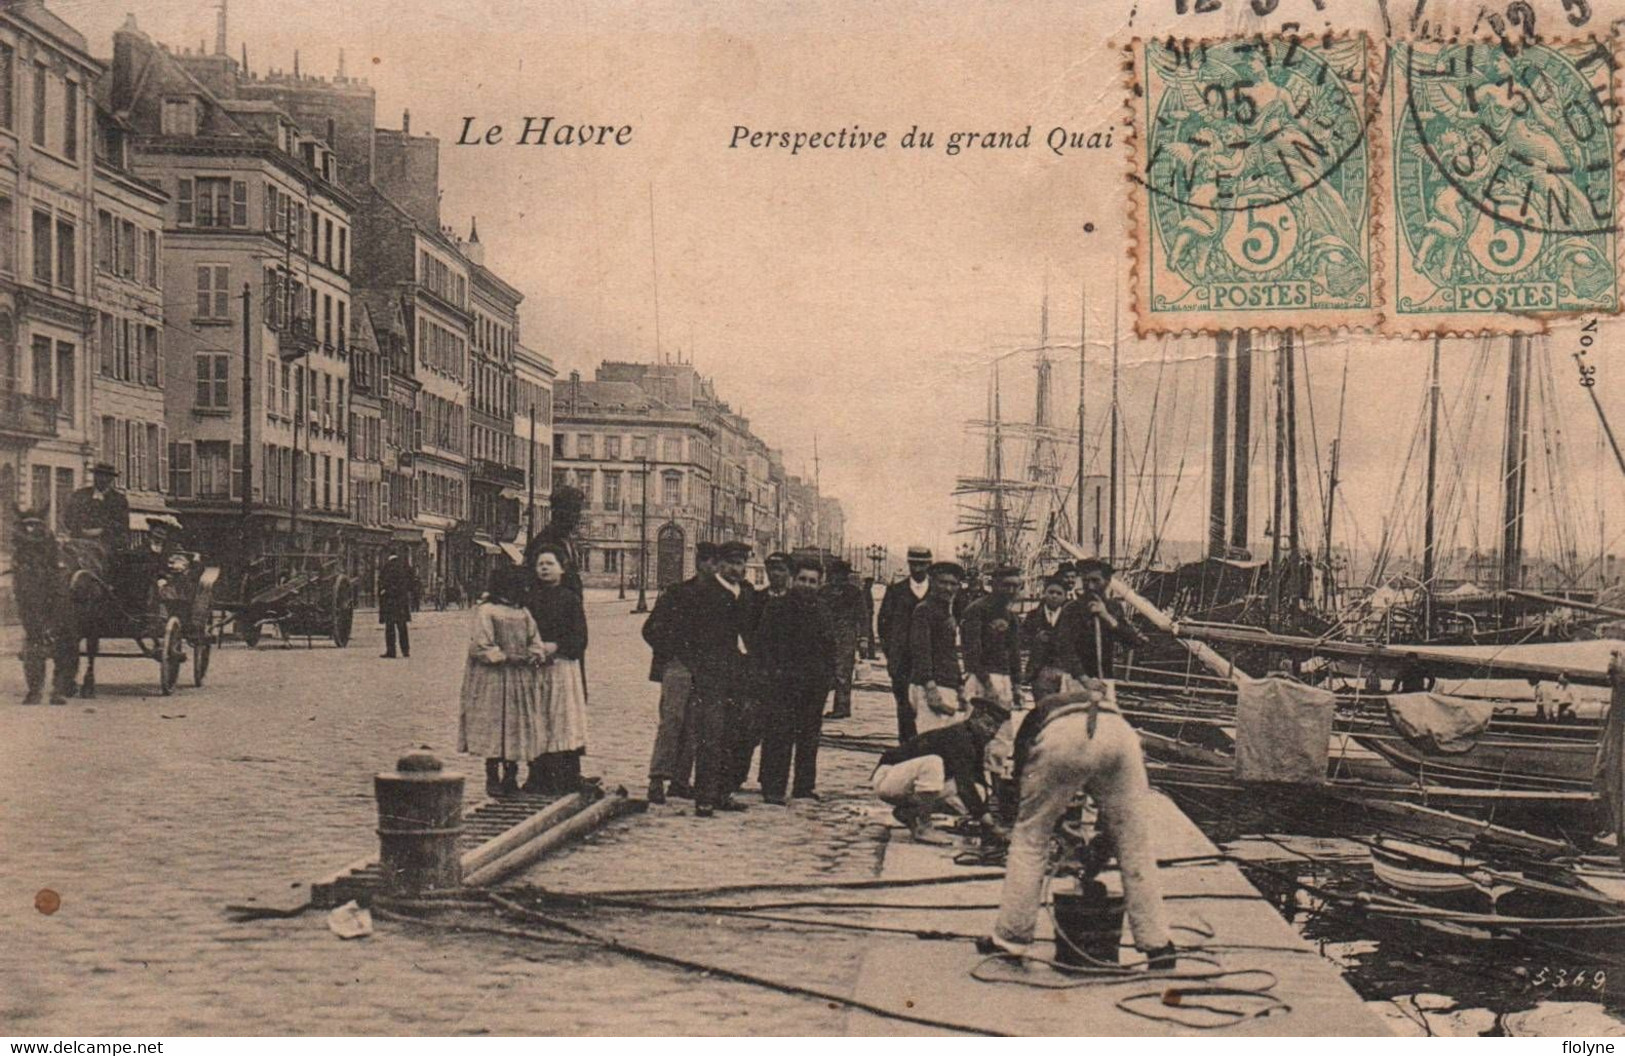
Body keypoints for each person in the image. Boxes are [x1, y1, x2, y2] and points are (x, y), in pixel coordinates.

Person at [979, 680, 1175, 968]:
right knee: (1134, 842)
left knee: (1030, 838)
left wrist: (1050, 824)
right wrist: (1102, 842)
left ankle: (1011, 940)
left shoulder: (1037, 716)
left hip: (1063, 739)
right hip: (1120, 736)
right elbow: (1114, 812)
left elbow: (1025, 787)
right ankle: (1159, 946)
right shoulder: (1101, 707)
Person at [674, 539, 756, 816]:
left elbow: (752, 634)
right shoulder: (705, 593)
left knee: (733, 734)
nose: (736, 568)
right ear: (720, 564)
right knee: (711, 735)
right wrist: (697, 665)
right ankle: (705, 796)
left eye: (741, 563)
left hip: (739, 676)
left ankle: (724, 792)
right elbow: (685, 634)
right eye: (731, 563)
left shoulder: (745, 594)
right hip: (711, 676)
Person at [459, 563, 550, 796]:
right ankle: (492, 774)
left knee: (516, 725)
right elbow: (481, 644)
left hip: (519, 678)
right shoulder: (487, 611)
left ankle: (511, 776)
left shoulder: (523, 613)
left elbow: (535, 641)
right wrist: (504, 656)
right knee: (494, 723)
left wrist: (534, 655)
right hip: (492, 678)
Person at [756, 556, 838, 803]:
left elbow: (829, 646)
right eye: (802, 579)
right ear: (794, 580)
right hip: (783, 683)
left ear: (819, 584)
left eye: (812, 581)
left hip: (813, 685)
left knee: (809, 735)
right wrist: (771, 675)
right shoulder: (777, 607)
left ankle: (804, 786)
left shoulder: (823, 610)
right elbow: (763, 645)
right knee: (778, 734)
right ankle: (773, 787)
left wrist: (828, 677)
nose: (807, 585)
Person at [874, 696, 1009, 845]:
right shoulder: (959, 736)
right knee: (934, 763)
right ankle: (923, 827)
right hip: (889, 777)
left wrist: (986, 815)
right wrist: (989, 823)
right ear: (974, 718)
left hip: (908, 784)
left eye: (996, 728)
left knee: (981, 791)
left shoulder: (976, 741)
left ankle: (909, 812)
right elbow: (964, 784)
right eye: (988, 724)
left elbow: (975, 779)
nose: (991, 731)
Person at [642, 542, 717, 804]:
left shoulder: (721, 598)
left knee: (694, 725)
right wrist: (673, 653)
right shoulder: (677, 593)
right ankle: (656, 779)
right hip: (679, 666)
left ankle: (680, 782)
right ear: (699, 564)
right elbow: (650, 629)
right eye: (708, 561)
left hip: (706, 670)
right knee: (672, 721)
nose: (713, 567)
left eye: (716, 562)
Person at [524, 544, 591, 794]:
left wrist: (556, 646)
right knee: (538, 719)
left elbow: (580, 639)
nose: (544, 568)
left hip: (562, 668)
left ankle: (567, 775)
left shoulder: (570, 600)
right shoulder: (529, 599)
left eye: (549, 564)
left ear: (562, 569)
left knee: (564, 720)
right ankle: (537, 774)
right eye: (540, 564)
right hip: (536, 669)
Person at [1056, 558, 1146, 683]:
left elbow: (1133, 641)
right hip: (1076, 680)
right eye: (1085, 581)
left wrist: (1107, 617)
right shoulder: (1071, 609)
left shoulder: (1114, 608)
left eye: (1095, 580)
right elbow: (1065, 647)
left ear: (1107, 582)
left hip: (1105, 678)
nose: (1090, 586)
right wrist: (1083, 677)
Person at [878, 545, 934, 741]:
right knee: (904, 709)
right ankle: (907, 750)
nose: (918, 569)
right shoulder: (896, 591)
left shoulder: (937, 591)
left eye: (922, 564)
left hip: (931, 662)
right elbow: (883, 625)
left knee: (930, 710)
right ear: (908, 564)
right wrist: (892, 653)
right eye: (914, 564)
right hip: (902, 663)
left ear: (929, 565)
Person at [909, 560, 967, 733]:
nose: (948, 588)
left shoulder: (947, 612)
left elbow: (949, 653)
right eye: (943, 582)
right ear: (932, 582)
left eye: (953, 584)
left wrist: (960, 686)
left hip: (948, 683)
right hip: (932, 685)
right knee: (931, 741)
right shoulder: (924, 610)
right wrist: (929, 686)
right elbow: (921, 650)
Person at [960, 564, 1024, 710]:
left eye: (1015, 586)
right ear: (994, 585)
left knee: (1003, 731)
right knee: (977, 729)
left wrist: (1017, 686)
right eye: (1006, 585)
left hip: (1004, 678)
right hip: (981, 679)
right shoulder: (976, 610)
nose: (1011, 591)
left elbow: (1014, 652)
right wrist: (988, 685)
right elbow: (972, 653)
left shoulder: (1010, 616)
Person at [821, 559, 868, 720]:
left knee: (843, 673)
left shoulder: (854, 592)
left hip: (846, 635)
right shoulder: (823, 591)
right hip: (825, 635)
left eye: (840, 575)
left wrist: (863, 638)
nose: (836, 578)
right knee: (824, 671)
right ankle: (818, 706)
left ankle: (842, 707)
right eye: (834, 574)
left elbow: (863, 616)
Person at [523, 485, 585, 595]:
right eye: (575, 511)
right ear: (560, 512)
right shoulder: (544, 541)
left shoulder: (566, 539)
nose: (578, 517)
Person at [1022, 574, 1073, 698]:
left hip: (1064, 669)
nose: (1054, 596)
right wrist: (1036, 639)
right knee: (1042, 707)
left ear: (1065, 596)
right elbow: (1022, 639)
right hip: (1040, 669)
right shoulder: (1033, 616)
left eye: (1059, 593)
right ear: (1044, 593)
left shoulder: (1072, 617)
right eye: (1051, 592)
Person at [63, 462, 131, 553]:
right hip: (79, 542)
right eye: (99, 475)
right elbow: (68, 518)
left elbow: (122, 525)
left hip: (107, 544)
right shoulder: (80, 495)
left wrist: (102, 530)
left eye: (106, 476)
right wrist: (82, 530)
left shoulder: (119, 500)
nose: (102, 479)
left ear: (111, 479)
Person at [377, 553, 417, 659]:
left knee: (390, 628)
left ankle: (391, 651)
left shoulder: (388, 567)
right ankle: (405, 650)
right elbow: (411, 584)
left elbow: (383, 584)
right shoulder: (404, 567)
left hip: (390, 602)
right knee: (402, 627)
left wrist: (385, 591)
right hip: (402, 603)